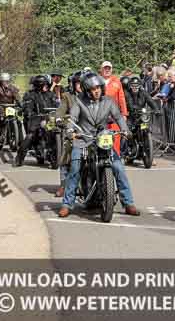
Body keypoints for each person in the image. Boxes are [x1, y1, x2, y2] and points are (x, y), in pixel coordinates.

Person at [59, 73, 139, 218]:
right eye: (92, 89)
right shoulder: (79, 101)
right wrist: (70, 129)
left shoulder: (108, 101)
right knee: (75, 168)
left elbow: (118, 117)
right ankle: (67, 204)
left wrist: (125, 130)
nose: (96, 91)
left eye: (98, 88)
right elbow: (73, 117)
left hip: (102, 138)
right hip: (84, 138)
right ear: (86, 90)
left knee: (118, 167)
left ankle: (128, 203)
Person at [15, 75, 58, 167]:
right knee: (30, 136)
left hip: (49, 118)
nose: (47, 86)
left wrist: (59, 111)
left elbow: (57, 105)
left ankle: (56, 154)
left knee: (55, 133)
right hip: (36, 118)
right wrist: (29, 112)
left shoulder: (51, 94)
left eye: (47, 84)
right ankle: (19, 158)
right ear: (39, 86)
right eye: (45, 85)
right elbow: (28, 107)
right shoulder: (31, 95)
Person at [100, 62, 128, 154]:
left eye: (109, 68)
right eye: (105, 68)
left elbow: (122, 98)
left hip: (114, 114)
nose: (107, 70)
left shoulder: (117, 81)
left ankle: (116, 159)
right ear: (101, 69)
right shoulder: (97, 80)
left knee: (115, 137)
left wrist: (124, 113)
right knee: (100, 136)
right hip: (99, 114)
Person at [0, 73, 21, 148]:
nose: (5, 83)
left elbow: (18, 98)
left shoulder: (13, 88)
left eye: (7, 81)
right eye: (3, 81)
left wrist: (21, 105)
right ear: (0, 81)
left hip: (10, 108)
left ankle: (19, 142)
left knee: (18, 122)